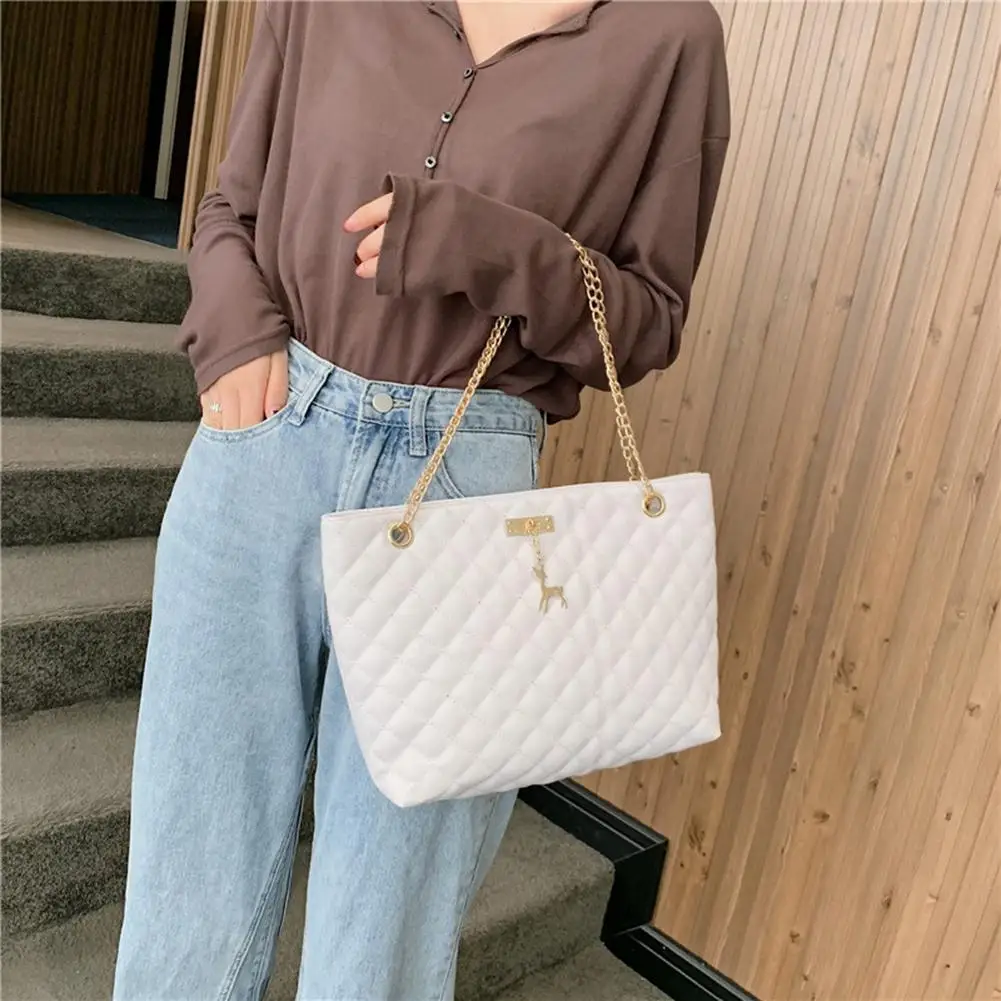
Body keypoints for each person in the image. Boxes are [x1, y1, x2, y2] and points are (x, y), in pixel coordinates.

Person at [113, 2, 729, 998]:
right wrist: (231, 339)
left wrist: (490, 244)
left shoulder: (665, 36)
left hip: (465, 487)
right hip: (267, 435)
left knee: (384, 928)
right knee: (187, 875)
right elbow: (231, 207)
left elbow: (647, 320)